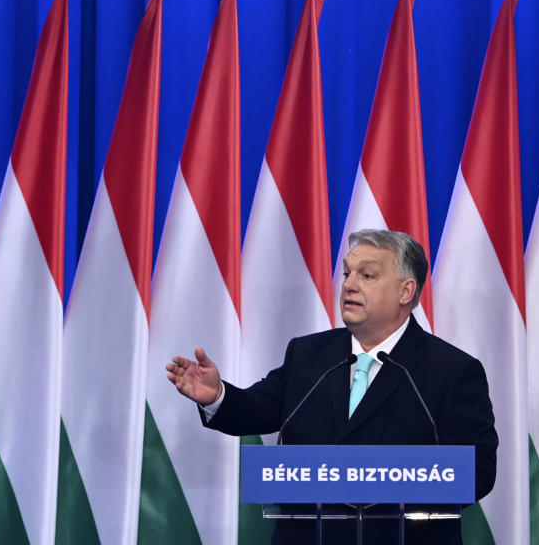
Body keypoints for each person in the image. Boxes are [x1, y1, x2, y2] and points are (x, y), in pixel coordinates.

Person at [167, 229, 498, 544]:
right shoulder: (309, 354)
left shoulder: (452, 370)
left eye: (366, 276)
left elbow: (477, 472)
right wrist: (218, 396)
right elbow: (261, 409)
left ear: (405, 291)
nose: (349, 285)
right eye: (346, 274)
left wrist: (377, 481)